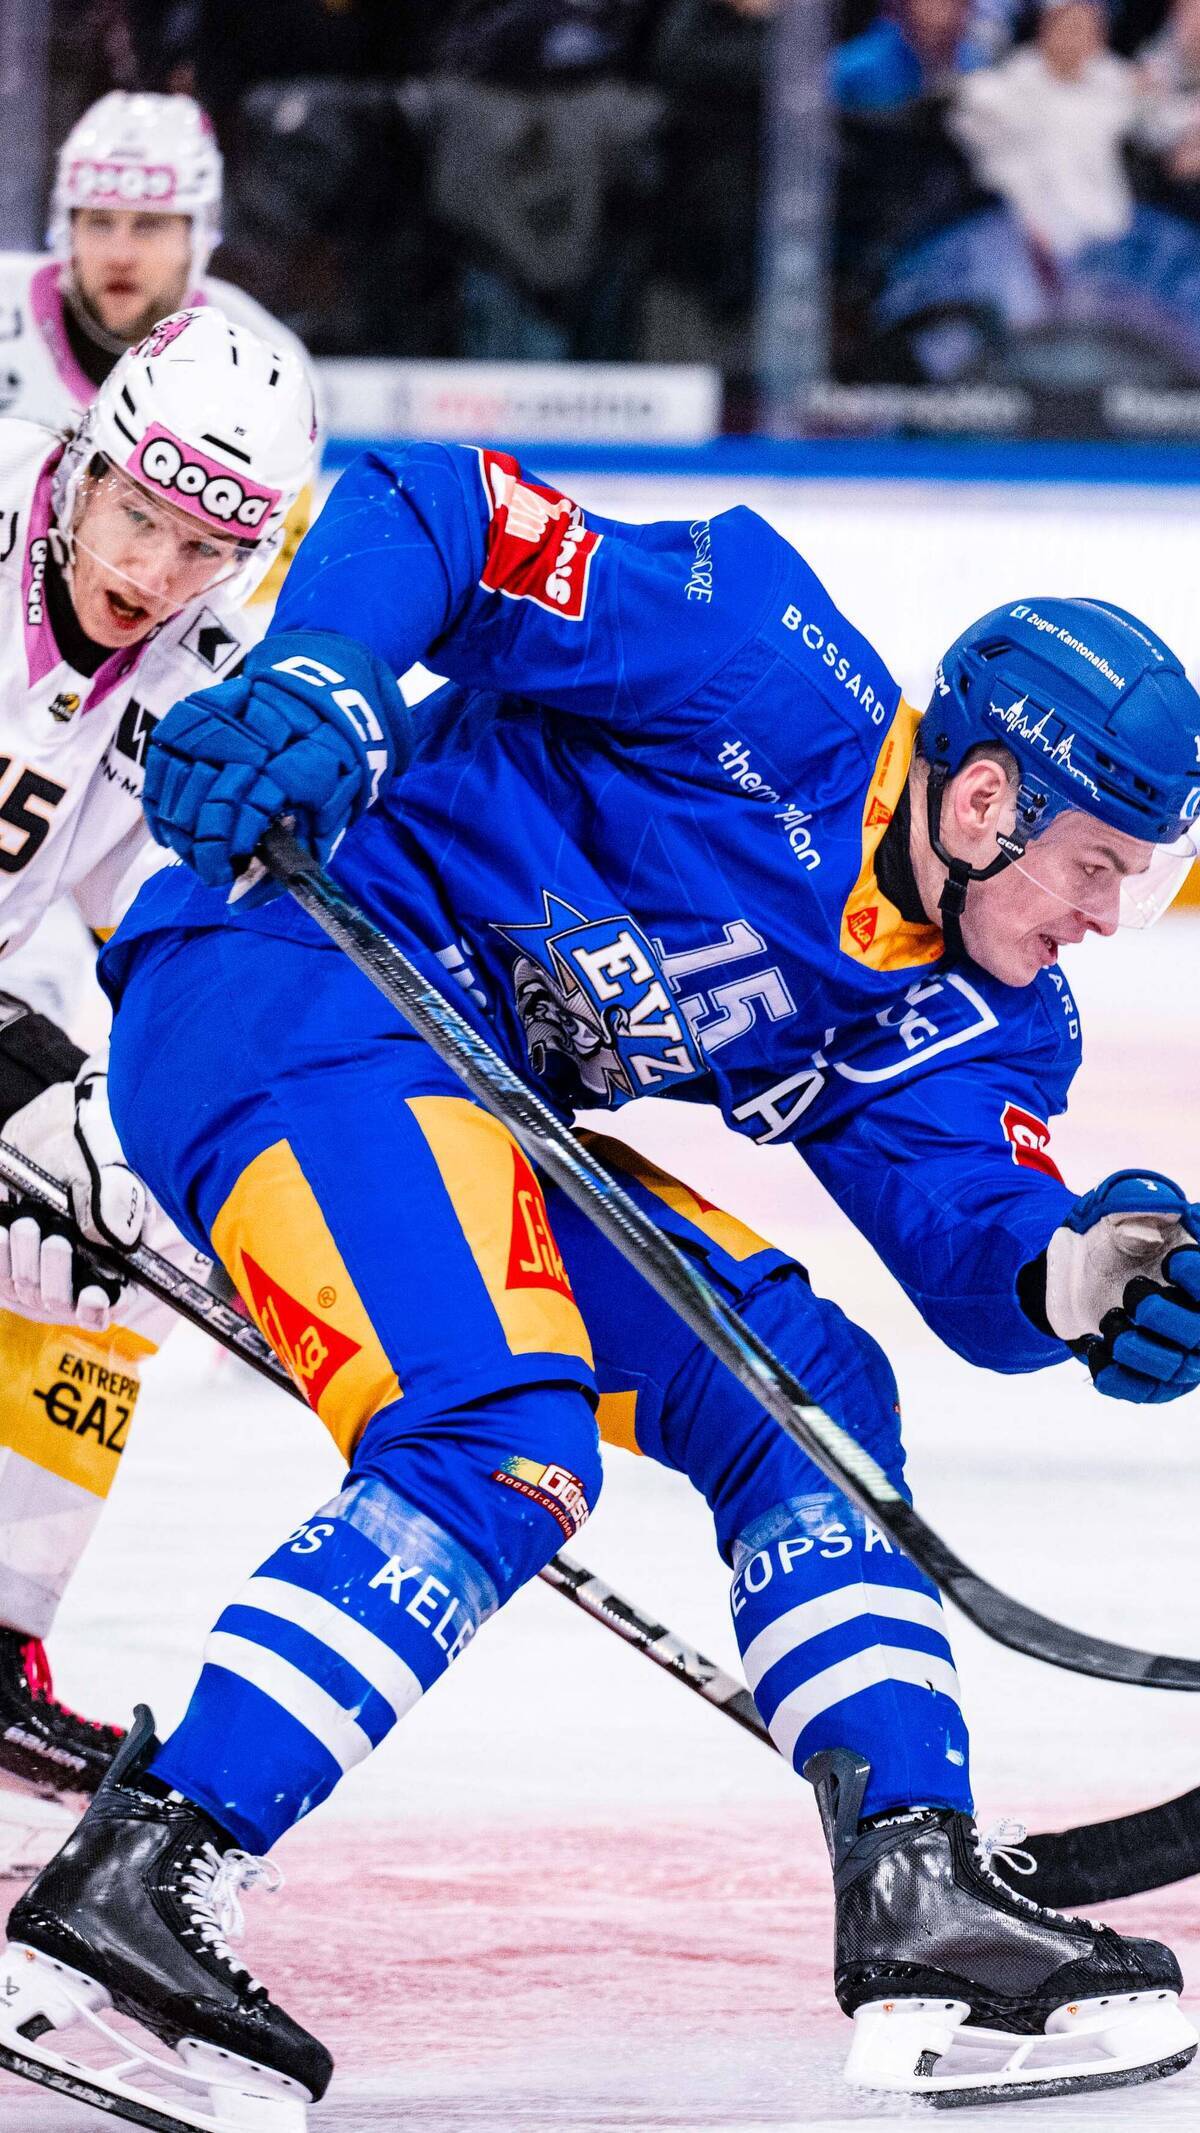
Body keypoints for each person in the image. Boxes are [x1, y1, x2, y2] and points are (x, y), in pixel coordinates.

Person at [4, 445, 1200, 2126]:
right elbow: (444, 509)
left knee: (813, 1394)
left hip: (471, 1100)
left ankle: (914, 1894)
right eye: (1097, 862)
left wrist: (1075, 1274)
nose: (1108, 912)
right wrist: (326, 677)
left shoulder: (977, 1006)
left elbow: (965, 1229)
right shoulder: (762, 655)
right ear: (990, 797)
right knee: (497, 1428)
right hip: (285, 977)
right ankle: (138, 1882)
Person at [0, 307, 315, 1819]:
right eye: (139, 517)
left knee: (108, 1230)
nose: (151, 574)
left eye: (202, 549)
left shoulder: (200, 674)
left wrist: (134, 1124)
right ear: (88, 457)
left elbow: (152, 938)